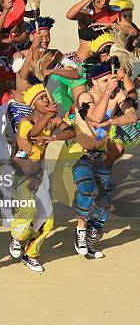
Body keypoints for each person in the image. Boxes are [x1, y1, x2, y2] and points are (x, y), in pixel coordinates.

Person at [72, 61, 137, 258]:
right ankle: (80, 232)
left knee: (104, 199)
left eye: (112, 78)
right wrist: (109, 95)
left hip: (101, 154)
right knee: (88, 190)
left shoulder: (116, 93)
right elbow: (95, 117)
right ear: (95, 81)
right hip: (78, 153)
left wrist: (113, 120)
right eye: (106, 80)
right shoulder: (85, 95)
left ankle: (91, 241)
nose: (111, 82)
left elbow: (132, 116)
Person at [8, 84, 75, 272]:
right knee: (27, 214)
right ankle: (16, 238)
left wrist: (54, 138)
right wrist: (47, 116)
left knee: (48, 219)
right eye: (41, 98)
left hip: (40, 174)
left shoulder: (53, 120)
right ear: (32, 104)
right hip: (21, 173)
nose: (46, 100)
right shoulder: (25, 121)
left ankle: (31, 254)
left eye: (47, 97)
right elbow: (33, 134)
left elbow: (71, 132)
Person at [65, 0, 137, 62]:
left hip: (107, 64)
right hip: (83, 64)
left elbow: (133, 31)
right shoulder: (86, 14)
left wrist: (112, 25)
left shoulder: (114, 13)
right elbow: (69, 15)